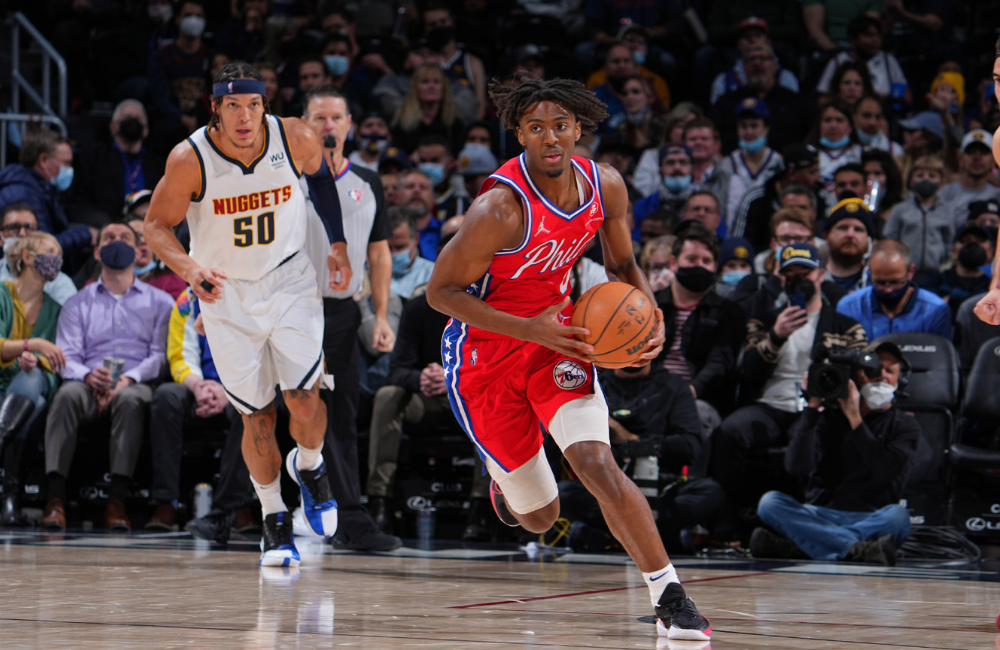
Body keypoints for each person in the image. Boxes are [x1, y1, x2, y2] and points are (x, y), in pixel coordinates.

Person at [425, 73, 711, 641]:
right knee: (541, 518)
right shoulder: (498, 209)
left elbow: (625, 265)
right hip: (484, 358)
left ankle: (669, 595)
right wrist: (527, 327)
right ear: (520, 134)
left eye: (560, 125)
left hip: (559, 339)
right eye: (536, 128)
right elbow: (441, 295)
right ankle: (506, 482)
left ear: (578, 128)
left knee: (597, 463)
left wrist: (652, 317)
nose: (550, 137)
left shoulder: (605, 185)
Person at [144, 61, 352, 567]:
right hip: (226, 294)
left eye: (253, 105)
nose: (245, 116)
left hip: (289, 281)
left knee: (303, 400)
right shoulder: (190, 158)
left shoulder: (294, 136)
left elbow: (323, 182)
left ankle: (311, 465)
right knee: (256, 418)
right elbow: (155, 226)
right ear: (215, 107)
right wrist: (191, 269)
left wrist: (339, 244)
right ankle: (273, 519)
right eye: (233, 106)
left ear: (265, 104)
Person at [298, 85, 401, 552]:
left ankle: (350, 521)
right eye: (319, 118)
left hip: (341, 311)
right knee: (260, 410)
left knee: (341, 414)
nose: (328, 126)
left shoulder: (368, 180)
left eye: (336, 118)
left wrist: (379, 314)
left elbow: (379, 254)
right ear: (304, 124)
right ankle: (231, 512)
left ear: (349, 125)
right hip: (290, 308)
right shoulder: (287, 180)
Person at [711, 243, 868, 537]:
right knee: (730, 432)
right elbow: (747, 373)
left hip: (819, 405)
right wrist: (776, 336)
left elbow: (859, 375)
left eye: (804, 272)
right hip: (771, 405)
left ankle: (812, 524)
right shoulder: (763, 320)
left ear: (821, 275)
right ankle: (728, 522)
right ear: (781, 279)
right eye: (790, 274)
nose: (797, 279)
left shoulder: (846, 326)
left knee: (819, 436)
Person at [42, 222, 174, 532]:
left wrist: (127, 379)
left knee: (129, 400)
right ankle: (55, 499)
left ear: (138, 248)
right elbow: (67, 355)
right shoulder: (78, 302)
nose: (117, 242)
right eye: (109, 238)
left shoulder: (160, 302)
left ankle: (116, 502)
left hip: (134, 382)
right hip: (88, 382)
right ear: (98, 251)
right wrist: (89, 376)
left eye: (125, 238)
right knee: (66, 396)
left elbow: (159, 356)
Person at [751, 340, 918, 565]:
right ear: (858, 375)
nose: (882, 376)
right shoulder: (826, 417)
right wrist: (812, 409)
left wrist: (855, 420)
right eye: (875, 369)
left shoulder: (904, 425)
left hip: (871, 516)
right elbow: (796, 467)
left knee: (899, 517)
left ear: (902, 380)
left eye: (890, 371)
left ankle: (802, 545)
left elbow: (884, 472)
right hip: (819, 513)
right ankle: (856, 548)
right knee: (769, 503)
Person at [145, 288, 235, 531]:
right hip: (199, 385)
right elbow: (179, 355)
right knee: (166, 397)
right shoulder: (188, 300)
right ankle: (167, 502)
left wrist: (229, 392)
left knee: (251, 408)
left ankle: (240, 505)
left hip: (239, 388)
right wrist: (198, 387)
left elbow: (260, 356)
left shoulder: (253, 290)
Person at [0, 232, 67, 527]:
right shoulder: (2, 293)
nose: (57, 260)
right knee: (32, 407)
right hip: (5, 380)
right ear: (27, 257)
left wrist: (34, 358)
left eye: (60, 255)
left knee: (32, 380)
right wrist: (32, 345)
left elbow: (57, 358)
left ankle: (10, 493)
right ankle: (10, 496)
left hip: (34, 380)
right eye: (50, 251)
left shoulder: (56, 308)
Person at [654, 222, 745, 429]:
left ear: (715, 266)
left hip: (702, 399)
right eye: (692, 259)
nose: (700, 266)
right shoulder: (651, 305)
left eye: (707, 261)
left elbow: (719, 364)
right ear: (674, 263)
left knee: (693, 413)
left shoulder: (729, 311)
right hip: (651, 391)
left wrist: (685, 394)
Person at [0, 130, 93, 267]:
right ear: (44, 160)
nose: (69, 170)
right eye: (66, 163)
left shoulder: (38, 187)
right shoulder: (22, 194)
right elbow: (40, 246)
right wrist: (86, 234)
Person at [69, 100, 166, 225]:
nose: (133, 120)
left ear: (146, 130)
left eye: (138, 118)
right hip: (107, 225)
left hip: (150, 227)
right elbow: (80, 202)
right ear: (113, 126)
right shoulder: (93, 158)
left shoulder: (159, 165)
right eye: (126, 117)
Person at [836, 239, 951, 339]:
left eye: (895, 282)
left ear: (910, 272)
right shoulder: (849, 307)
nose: (888, 289)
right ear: (869, 271)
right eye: (880, 282)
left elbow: (939, 360)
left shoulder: (935, 310)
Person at [733, 143, 823, 254]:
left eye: (802, 207)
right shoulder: (756, 199)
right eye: (812, 172)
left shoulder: (822, 196)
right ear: (792, 174)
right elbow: (738, 244)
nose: (818, 178)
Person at [883, 156, 953, 276]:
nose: (925, 179)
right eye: (920, 175)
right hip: (905, 271)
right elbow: (890, 239)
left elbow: (949, 241)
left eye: (932, 176)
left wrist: (945, 266)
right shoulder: (900, 209)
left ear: (941, 184)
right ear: (911, 181)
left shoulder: (946, 212)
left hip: (936, 273)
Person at [816, 15, 909, 102]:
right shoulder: (838, 61)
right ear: (853, 39)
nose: (875, 40)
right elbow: (823, 99)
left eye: (878, 35)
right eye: (869, 35)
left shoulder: (888, 59)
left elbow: (906, 95)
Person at [0, 205, 77, 305]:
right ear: (0, 238)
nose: (23, 233)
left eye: (30, 227)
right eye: (13, 228)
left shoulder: (61, 283)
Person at [391, 63, 465, 155]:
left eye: (436, 82)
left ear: (443, 89)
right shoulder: (402, 120)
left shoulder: (455, 123)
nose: (431, 86)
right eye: (425, 81)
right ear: (415, 88)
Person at [923, 223, 993, 319]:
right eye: (965, 241)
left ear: (990, 252)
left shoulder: (994, 285)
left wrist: (952, 298)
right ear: (954, 251)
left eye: (979, 241)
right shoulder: (935, 281)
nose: (972, 246)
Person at [937, 129, 1000, 229]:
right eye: (971, 152)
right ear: (960, 159)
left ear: (993, 161)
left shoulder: (998, 196)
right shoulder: (943, 194)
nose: (977, 158)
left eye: (983, 152)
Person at [632, 143, 694, 236]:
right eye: (670, 162)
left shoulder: (703, 206)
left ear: (692, 169)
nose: (677, 167)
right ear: (660, 171)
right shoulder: (642, 206)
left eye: (683, 162)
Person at [823, 197, 874, 292]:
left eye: (858, 229)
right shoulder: (814, 280)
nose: (850, 234)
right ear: (826, 235)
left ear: (869, 240)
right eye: (843, 228)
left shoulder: (877, 285)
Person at [388, 208, 435, 300]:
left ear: (416, 239)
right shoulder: (369, 274)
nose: (394, 252)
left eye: (400, 247)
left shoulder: (433, 274)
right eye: (388, 247)